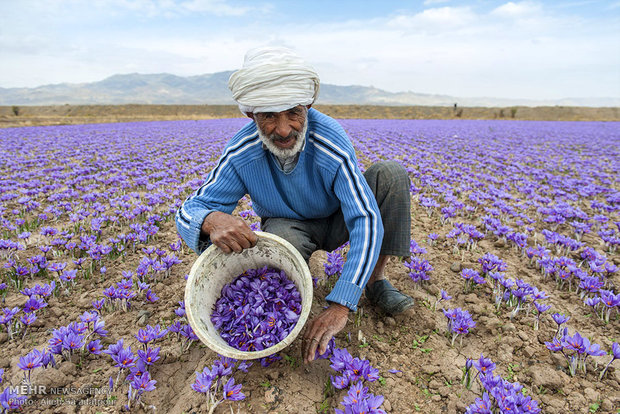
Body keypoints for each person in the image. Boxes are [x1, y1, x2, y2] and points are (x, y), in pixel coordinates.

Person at [175, 46, 414, 364]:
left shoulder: (330, 141)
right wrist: (210, 219)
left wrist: (342, 302)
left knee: (391, 175)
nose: (284, 129)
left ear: (308, 105)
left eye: (293, 113)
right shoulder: (241, 152)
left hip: (338, 215)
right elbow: (188, 209)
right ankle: (289, 295)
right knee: (280, 247)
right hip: (289, 225)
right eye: (269, 116)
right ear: (251, 115)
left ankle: (374, 280)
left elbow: (365, 218)